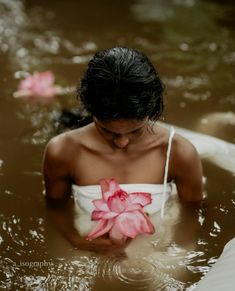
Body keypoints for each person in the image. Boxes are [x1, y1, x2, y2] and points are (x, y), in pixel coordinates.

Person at [43, 47, 203, 249]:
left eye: (136, 131)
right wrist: (76, 240)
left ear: (151, 114)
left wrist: (169, 249)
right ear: (90, 112)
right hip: (89, 242)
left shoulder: (178, 151)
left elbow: (192, 213)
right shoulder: (62, 151)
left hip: (156, 245)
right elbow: (55, 209)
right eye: (107, 131)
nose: (122, 142)